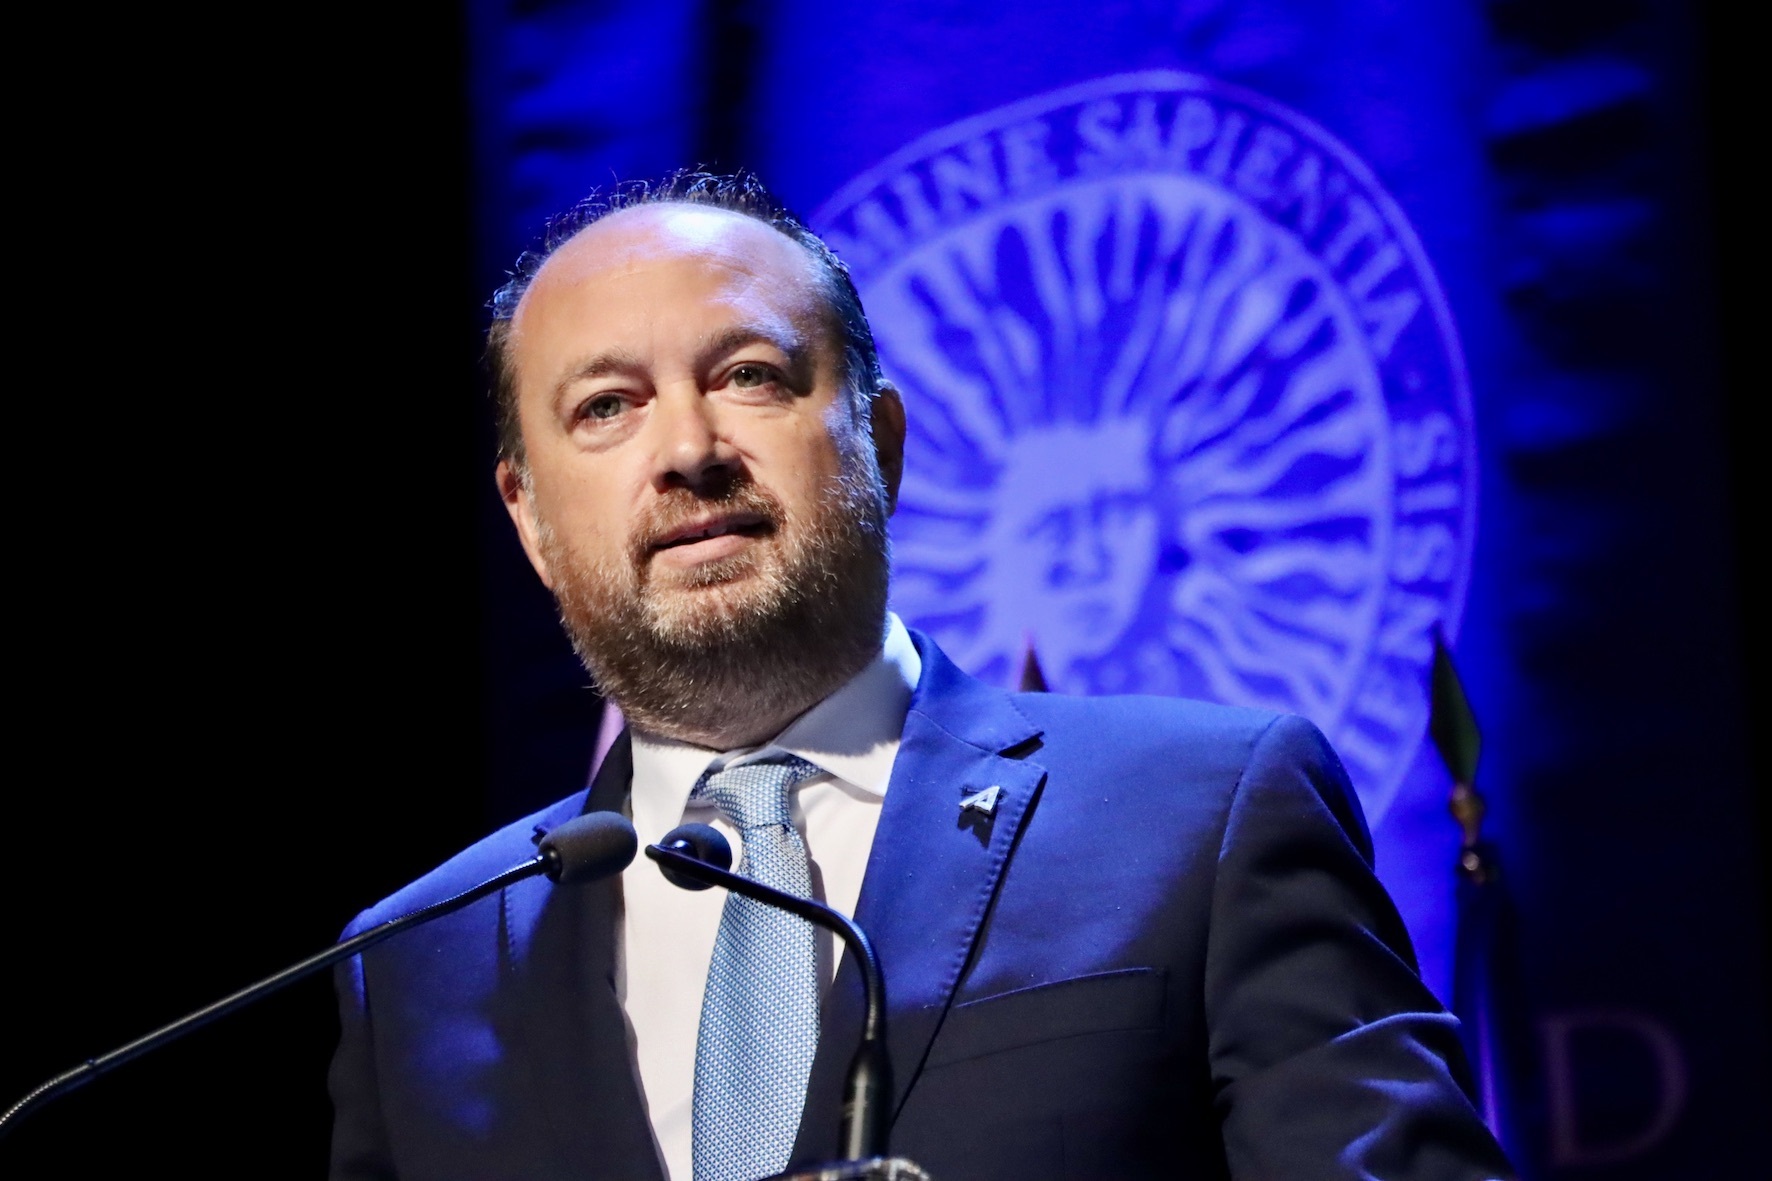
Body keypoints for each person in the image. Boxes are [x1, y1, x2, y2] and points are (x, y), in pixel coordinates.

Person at [327, 172, 1513, 1181]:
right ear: (528, 518)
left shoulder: (1202, 810)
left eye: (747, 374)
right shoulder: (417, 957)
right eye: (605, 406)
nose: (686, 450)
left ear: (879, 444)